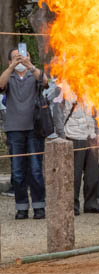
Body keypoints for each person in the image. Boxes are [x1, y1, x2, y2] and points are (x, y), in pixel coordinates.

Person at [0, 48, 46, 219]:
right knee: (17, 171)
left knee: (35, 169)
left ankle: (39, 206)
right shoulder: (9, 76)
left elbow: (46, 81)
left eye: (23, 57)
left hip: (34, 129)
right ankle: (21, 207)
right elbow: (0, 85)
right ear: (9, 61)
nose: (20, 61)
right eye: (15, 58)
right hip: (14, 130)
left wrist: (30, 66)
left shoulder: (33, 75)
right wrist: (12, 67)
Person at [53, 83, 99, 215]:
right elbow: (58, 113)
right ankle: (72, 205)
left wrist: (98, 133)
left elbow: (95, 113)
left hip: (90, 136)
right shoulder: (61, 89)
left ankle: (91, 203)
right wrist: (62, 136)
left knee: (92, 175)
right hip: (73, 136)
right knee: (73, 175)